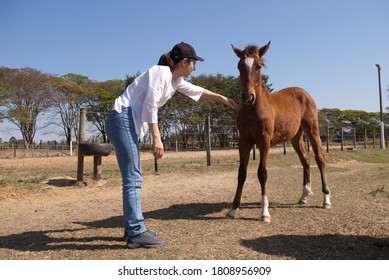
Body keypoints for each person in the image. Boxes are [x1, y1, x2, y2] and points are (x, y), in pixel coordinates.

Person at [105, 42, 239, 249]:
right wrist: (157, 138)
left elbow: (197, 90)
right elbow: (150, 104)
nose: (194, 68)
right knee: (133, 177)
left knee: (134, 175)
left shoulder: (174, 81)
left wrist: (222, 98)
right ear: (185, 62)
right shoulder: (161, 73)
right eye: (194, 63)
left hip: (125, 121)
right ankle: (135, 232)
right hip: (122, 119)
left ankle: (133, 228)